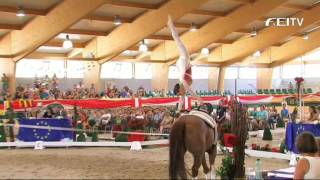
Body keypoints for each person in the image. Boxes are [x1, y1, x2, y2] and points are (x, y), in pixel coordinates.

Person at [168, 15, 201, 112]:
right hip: (183, 64)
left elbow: (191, 92)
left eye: (179, 93)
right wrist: (178, 111)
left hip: (183, 61)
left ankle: (170, 24)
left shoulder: (183, 83)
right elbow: (181, 99)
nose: (181, 94)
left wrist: (199, 99)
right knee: (177, 40)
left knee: (177, 39)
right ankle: (171, 25)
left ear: (179, 90)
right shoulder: (183, 88)